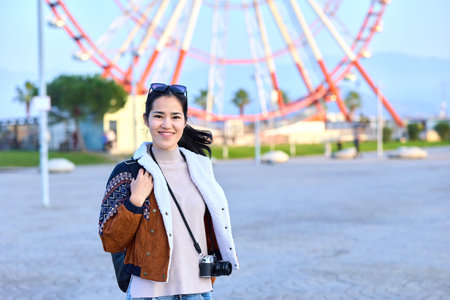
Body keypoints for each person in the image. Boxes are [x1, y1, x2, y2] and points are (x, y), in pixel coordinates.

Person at [98, 83, 239, 300]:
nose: (167, 124)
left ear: (184, 120)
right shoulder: (128, 172)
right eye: (158, 116)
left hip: (198, 291)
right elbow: (110, 240)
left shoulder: (201, 169)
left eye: (175, 116)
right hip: (150, 294)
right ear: (146, 120)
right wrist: (135, 201)